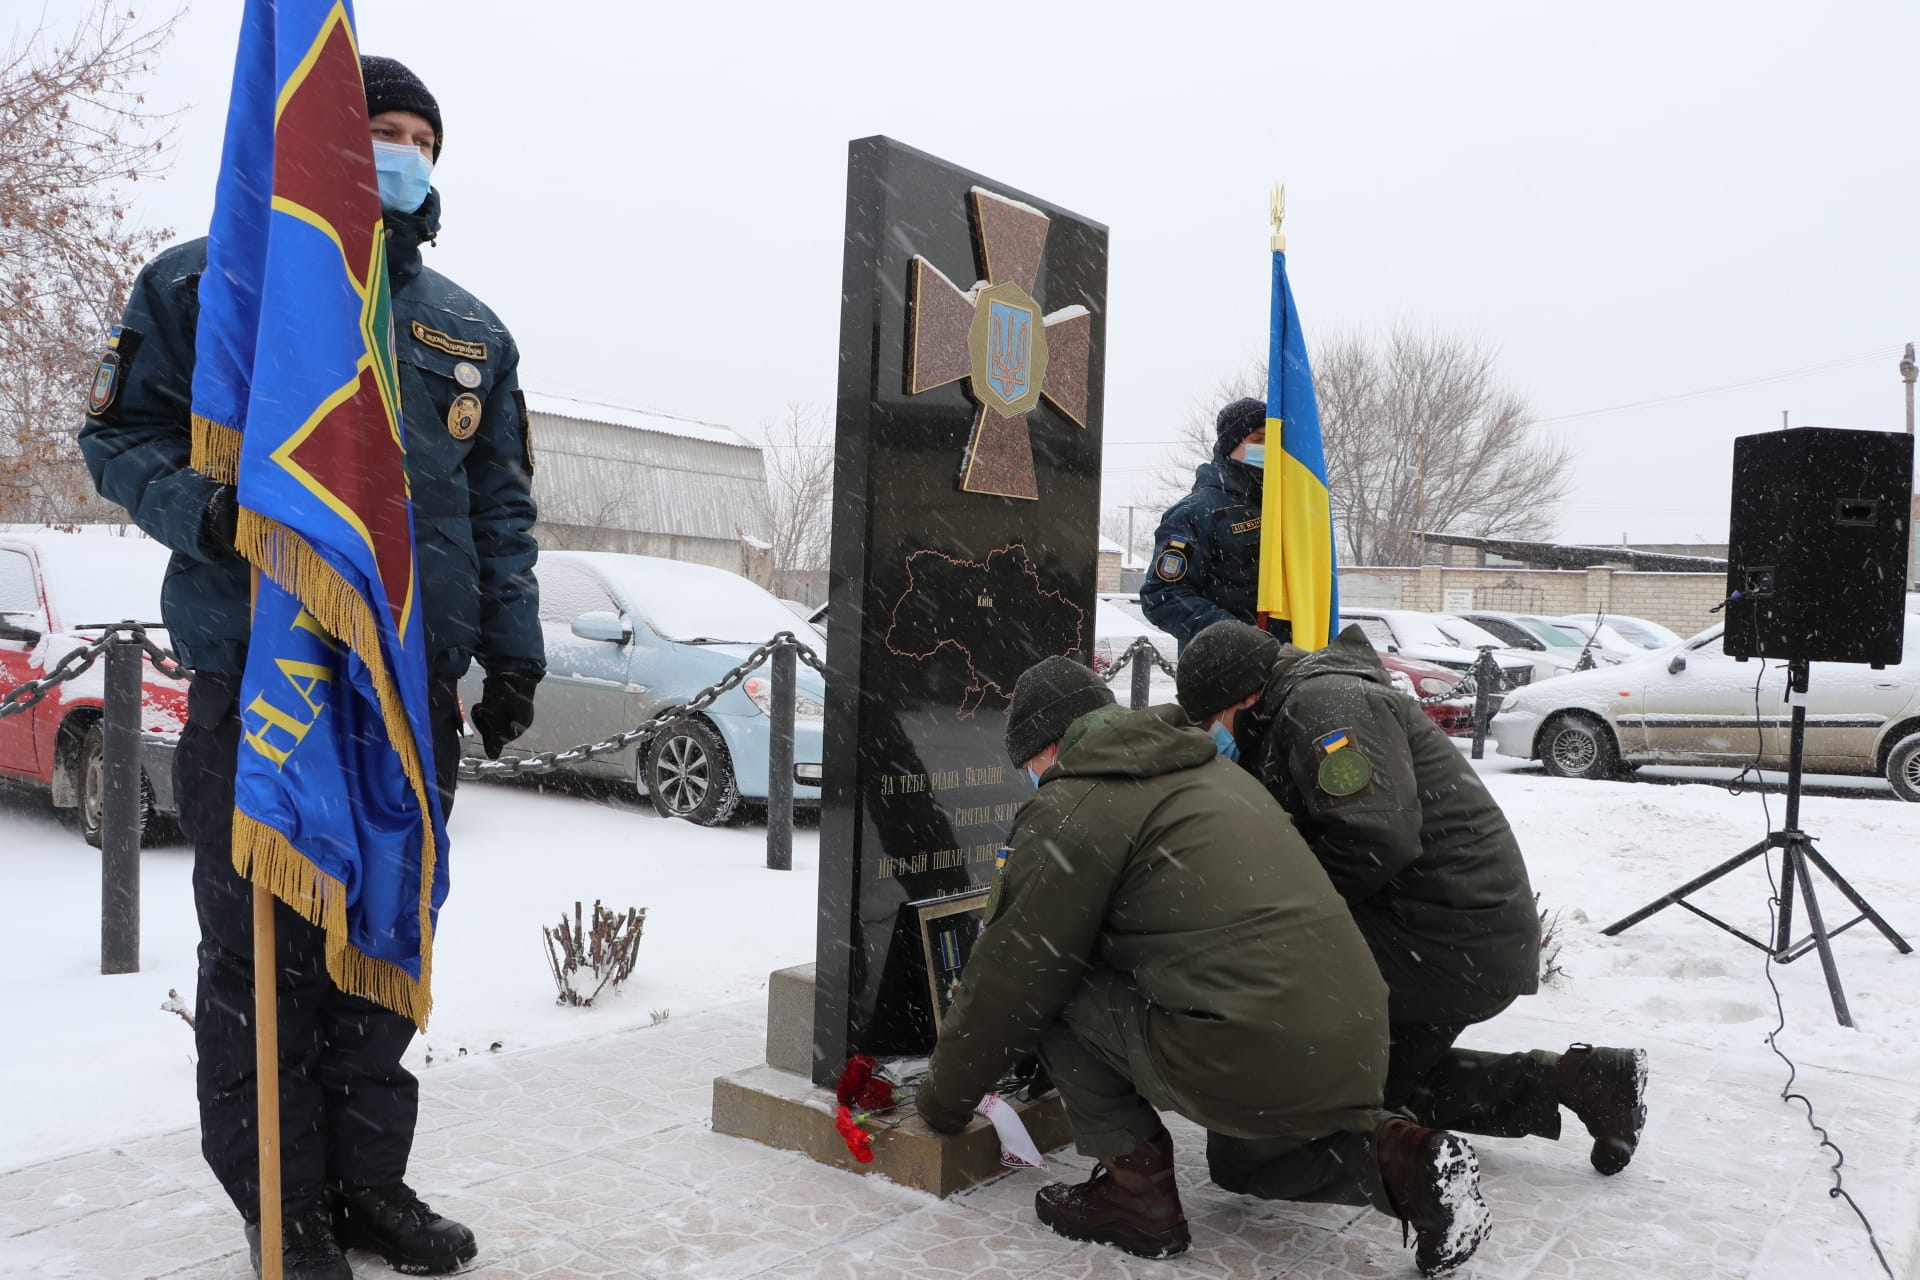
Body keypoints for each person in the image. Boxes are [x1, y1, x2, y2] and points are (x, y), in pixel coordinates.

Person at [80, 56, 543, 1280]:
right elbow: (115, 436)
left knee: (380, 945)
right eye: (378, 126)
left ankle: (367, 1185)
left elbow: (500, 513)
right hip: (266, 681)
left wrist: (514, 653)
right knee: (260, 961)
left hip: (403, 696)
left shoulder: (468, 331)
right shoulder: (209, 285)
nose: (400, 151)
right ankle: (281, 1203)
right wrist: (209, 512)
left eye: (420, 137)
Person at [915, 656, 1491, 1276]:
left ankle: (1134, 1195)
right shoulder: (1215, 772)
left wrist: (943, 1105)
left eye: (1027, 763)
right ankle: (1412, 1161)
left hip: (1243, 1042)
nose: (1030, 778)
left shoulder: (1076, 805)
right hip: (1355, 1031)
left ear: (1051, 745)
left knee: (1055, 975)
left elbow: (1010, 982)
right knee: (1250, 1160)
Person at [1175, 619, 1648, 1175]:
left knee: (1297, 1109)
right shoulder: (1303, 704)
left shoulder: (1326, 704)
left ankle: (1410, 1169)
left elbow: (1373, 836)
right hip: (1448, 930)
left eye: (1210, 723)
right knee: (1363, 1082)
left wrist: (1280, 923)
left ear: (1245, 696)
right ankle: (1586, 1082)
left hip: (1446, 937)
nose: (1213, 738)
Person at [1139, 396, 1288, 650]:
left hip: (1287, 664)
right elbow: (1162, 596)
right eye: (1257, 440)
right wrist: (1237, 637)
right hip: (1225, 671)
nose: (1267, 448)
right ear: (1231, 444)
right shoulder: (1193, 513)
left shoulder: (1284, 508)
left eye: (1272, 440)